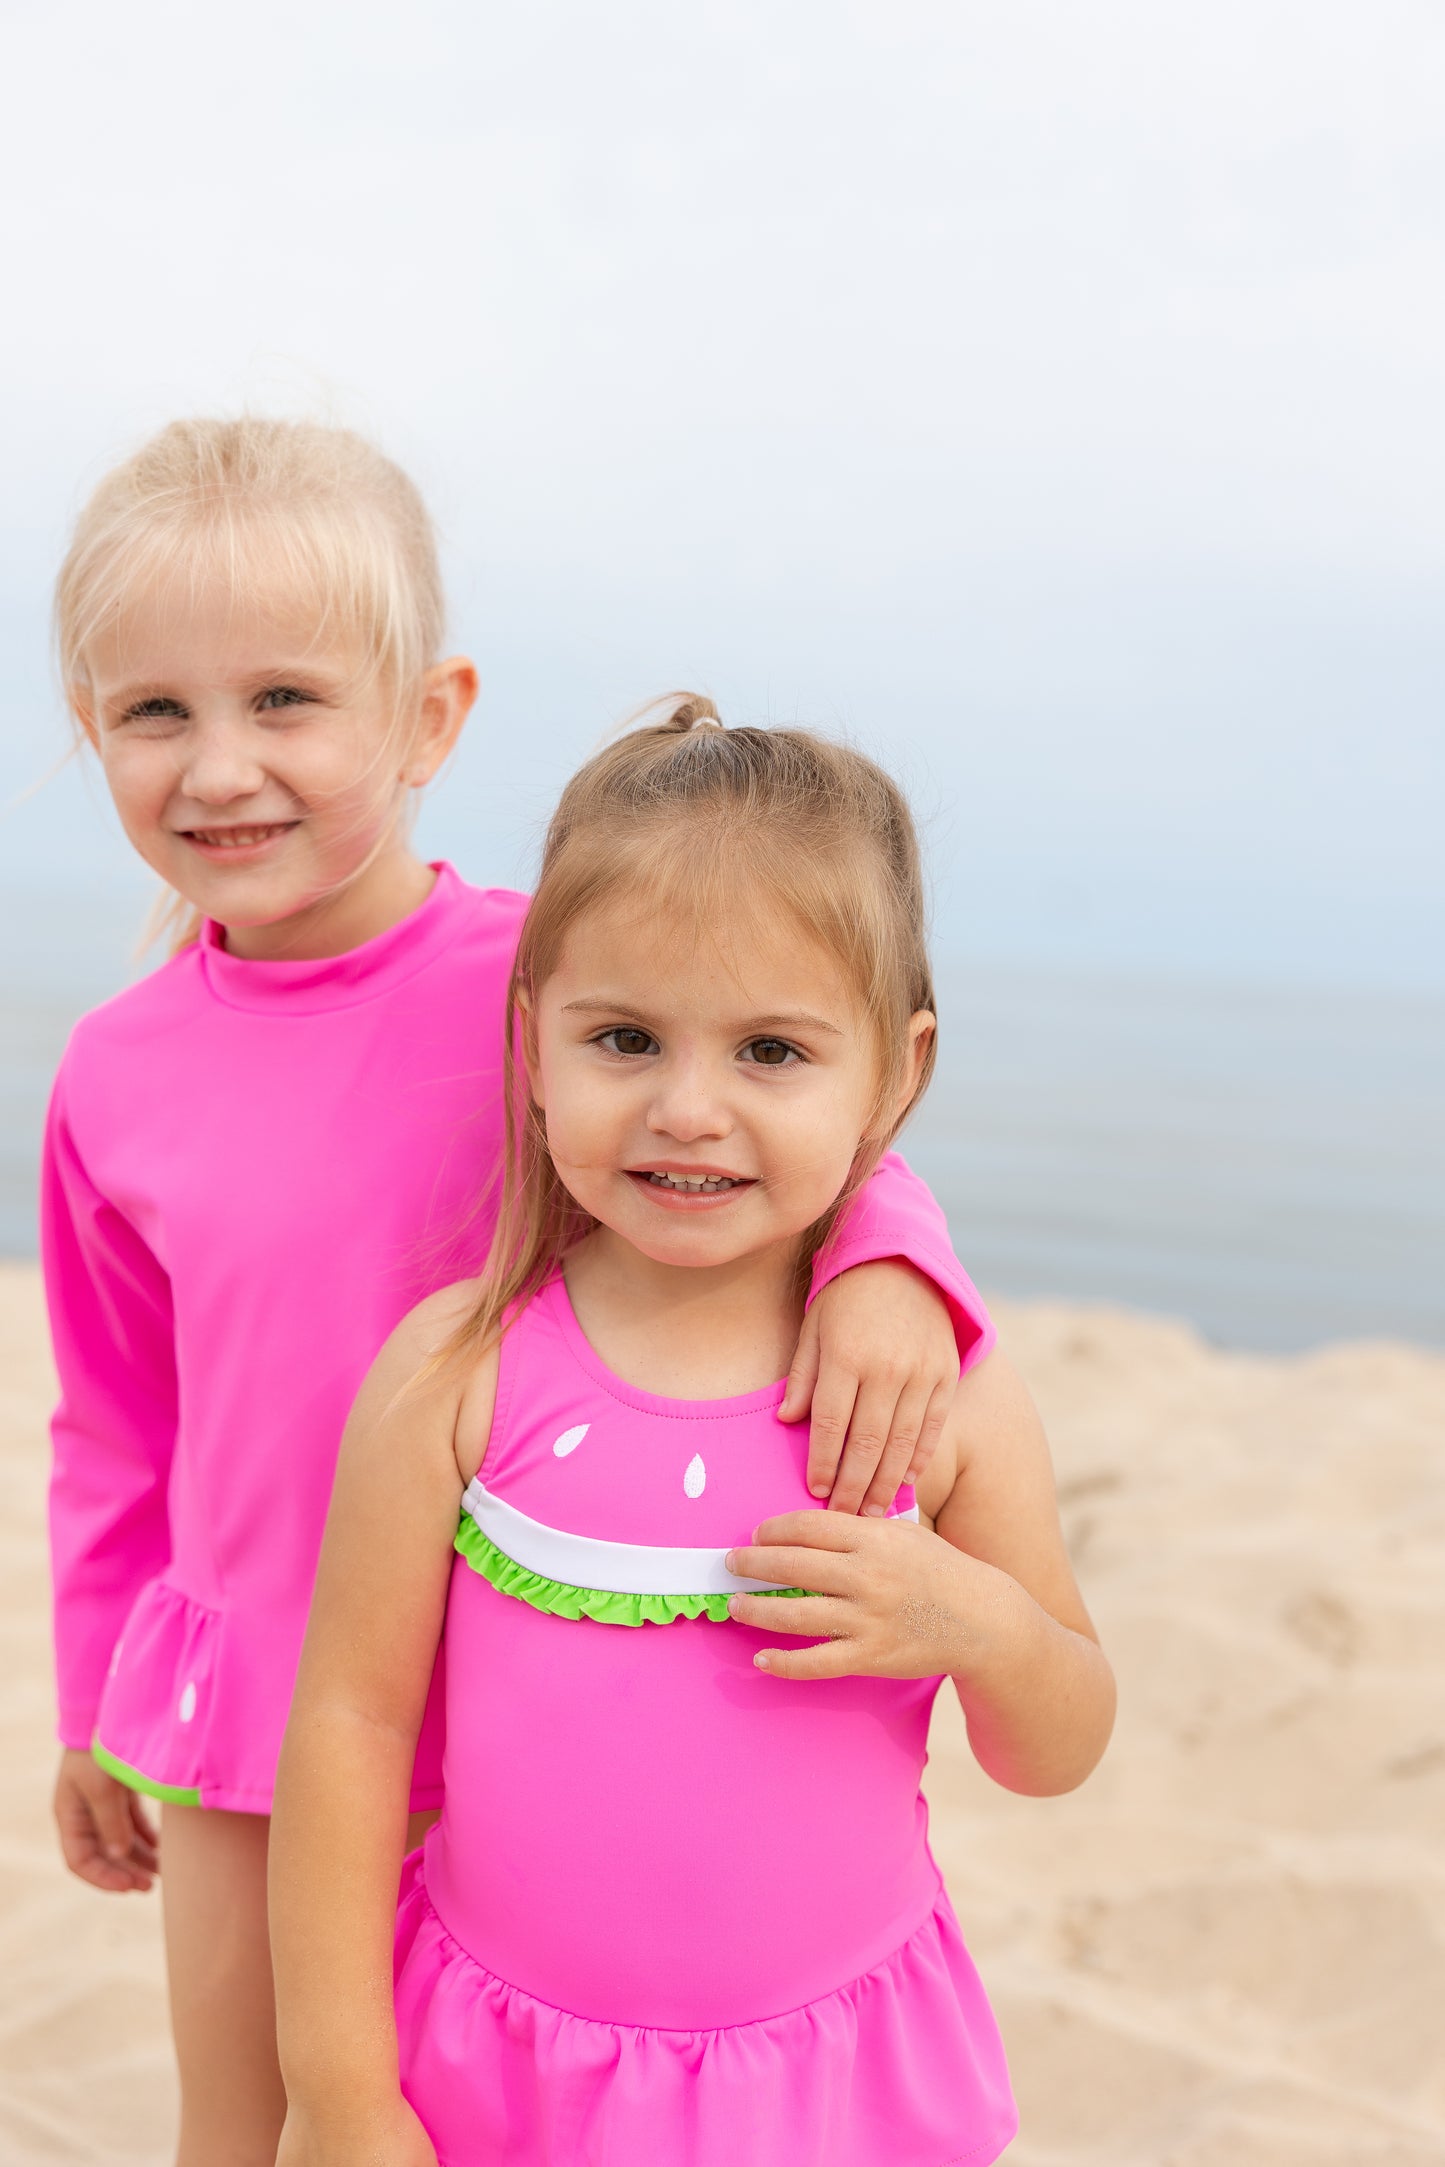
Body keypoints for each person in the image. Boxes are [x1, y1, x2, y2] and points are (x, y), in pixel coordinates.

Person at [44, 424, 1000, 2167]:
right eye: (155, 713)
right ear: (89, 729)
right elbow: (115, 1421)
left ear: (426, 718)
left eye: (285, 700)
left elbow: (782, 1113)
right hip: (260, 1685)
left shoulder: (540, 985)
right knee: (248, 2126)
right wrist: (96, 1696)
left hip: (508, 1654)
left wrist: (888, 1270)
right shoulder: (111, 1075)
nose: (222, 767)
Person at [270, 703, 1116, 2167]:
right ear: (533, 1048)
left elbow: (1058, 1746)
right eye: (623, 1038)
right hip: (501, 2066)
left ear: (894, 1076)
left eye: (772, 1051)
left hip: (826, 2083)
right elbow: (349, 1729)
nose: (686, 1108)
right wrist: (341, 2091)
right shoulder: (454, 1373)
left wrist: (974, 1623)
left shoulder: (941, 1402)